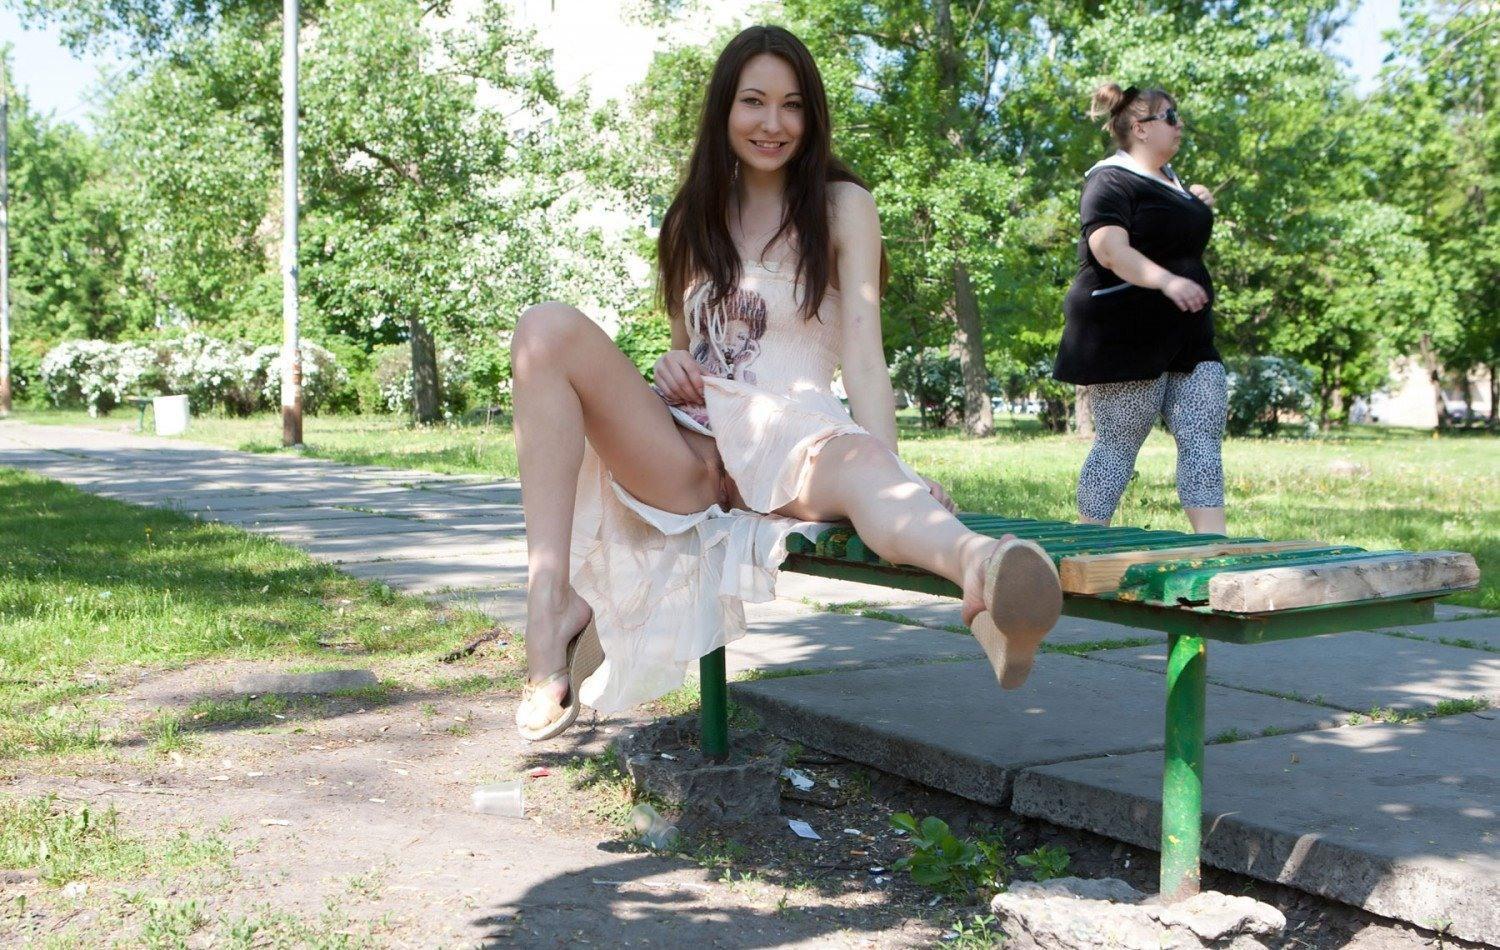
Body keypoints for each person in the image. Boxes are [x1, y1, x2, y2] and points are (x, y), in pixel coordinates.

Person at [510, 25, 1063, 741]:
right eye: (754, 102)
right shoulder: (690, 220)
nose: (773, 123)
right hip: (688, 450)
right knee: (544, 328)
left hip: (794, 438)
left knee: (867, 470)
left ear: (812, 115)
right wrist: (672, 367)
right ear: (724, 109)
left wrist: (894, 464)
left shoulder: (841, 207)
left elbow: (863, 353)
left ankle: (988, 574)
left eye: (792, 105)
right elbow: (687, 350)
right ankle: (548, 605)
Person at [1053, 83, 1228, 536]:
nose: (1179, 124)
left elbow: (1173, 237)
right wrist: (1167, 282)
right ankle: (1087, 542)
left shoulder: (1172, 181)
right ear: (1140, 128)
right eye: (1169, 116)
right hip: (1126, 334)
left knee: (1203, 438)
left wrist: (1196, 203)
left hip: (1189, 336)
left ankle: (1213, 546)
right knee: (1119, 442)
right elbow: (1109, 250)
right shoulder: (1109, 180)